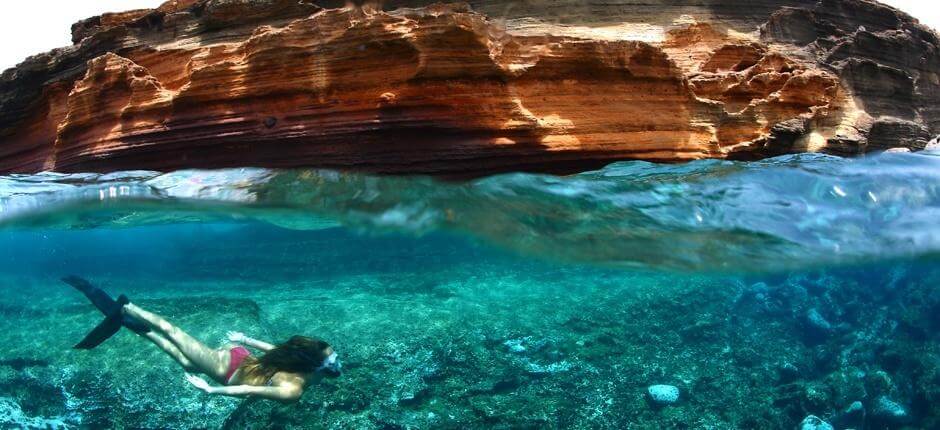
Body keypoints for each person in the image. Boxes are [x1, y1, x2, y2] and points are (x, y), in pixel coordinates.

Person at [63, 276, 341, 402]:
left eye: (333, 357)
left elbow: (278, 350)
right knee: (175, 333)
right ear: (320, 366)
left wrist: (245, 339)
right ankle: (128, 307)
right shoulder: (294, 390)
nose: (337, 360)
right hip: (226, 368)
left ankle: (131, 323)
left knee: (187, 362)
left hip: (239, 357)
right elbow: (246, 391)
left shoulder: (304, 367)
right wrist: (210, 391)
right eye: (333, 358)